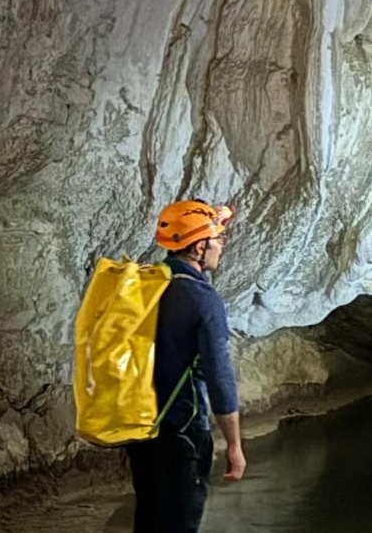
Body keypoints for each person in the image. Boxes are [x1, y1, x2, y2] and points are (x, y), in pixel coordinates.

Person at [127, 200, 246, 532]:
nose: (222, 245)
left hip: (142, 426)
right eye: (218, 238)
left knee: (148, 521)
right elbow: (220, 380)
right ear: (198, 246)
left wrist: (218, 215)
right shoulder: (202, 300)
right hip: (182, 432)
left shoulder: (147, 283)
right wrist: (234, 446)